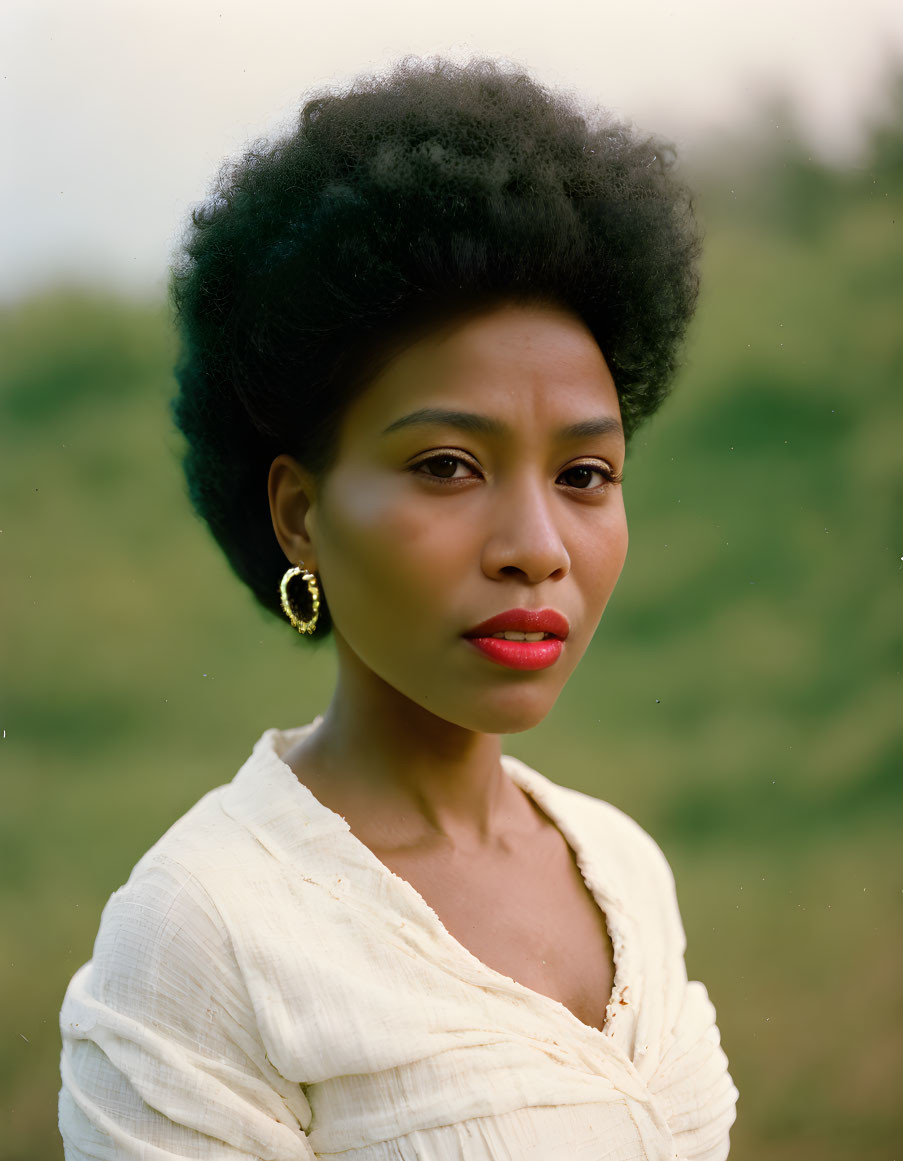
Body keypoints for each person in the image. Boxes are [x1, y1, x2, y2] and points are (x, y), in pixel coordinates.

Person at [58, 55, 738, 1160]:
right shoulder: (201, 935)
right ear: (298, 514)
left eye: (584, 476)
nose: (536, 549)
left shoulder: (621, 868)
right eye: (447, 465)